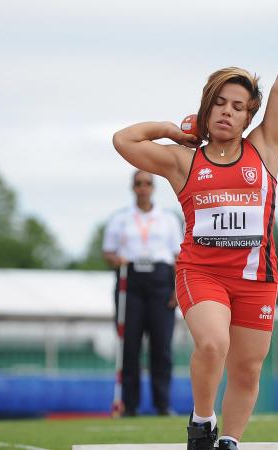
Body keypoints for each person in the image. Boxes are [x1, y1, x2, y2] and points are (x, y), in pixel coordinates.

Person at [112, 3, 278, 448]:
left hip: (256, 278)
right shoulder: (184, 162)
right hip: (202, 272)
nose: (227, 112)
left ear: (250, 116)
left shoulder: (265, 149)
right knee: (213, 344)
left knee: (248, 369)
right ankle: (201, 422)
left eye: (238, 106)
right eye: (219, 103)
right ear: (206, 108)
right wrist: (174, 131)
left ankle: (229, 441)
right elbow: (124, 141)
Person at [103, 170, 183, 417]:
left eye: (147, 183)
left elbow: (178, 257)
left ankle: (162, 405)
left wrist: (177, 288)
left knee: (162, 347)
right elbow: (108, 252)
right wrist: (116, 259)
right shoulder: (120, 219)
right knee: (129, 347)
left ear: (153, 187)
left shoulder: (168, 219)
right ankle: (129, 405)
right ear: (132, 187)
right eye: (138, 184)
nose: (143, 188)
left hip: (160, 282)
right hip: (131, 282)